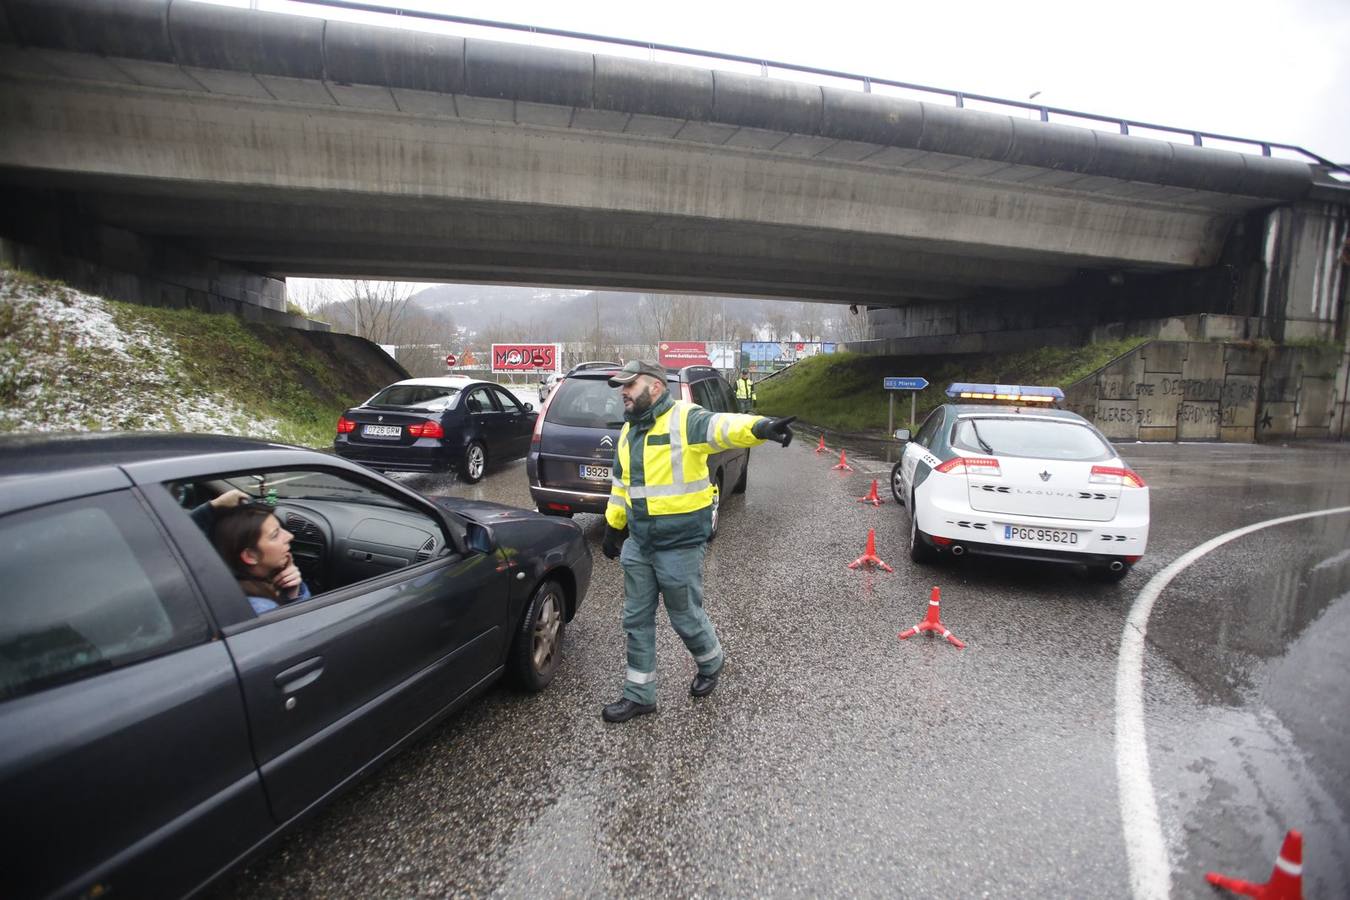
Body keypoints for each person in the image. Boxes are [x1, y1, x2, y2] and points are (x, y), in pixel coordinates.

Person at [599, 360, 795, 723]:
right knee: (635, 619)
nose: (623, 392)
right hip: (640, 543)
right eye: (621, 387)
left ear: (655, 387)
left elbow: (724, 427)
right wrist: (614, 526)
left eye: (630, 385)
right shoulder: (628, 433)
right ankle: (639, 694)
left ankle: (711, 661)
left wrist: (762, 427)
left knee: (685, 616)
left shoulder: (685, 419)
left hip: (680, 544)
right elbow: (621, 486)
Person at [212, 504, 311, 616]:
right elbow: (302, 629)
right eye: (275, 535)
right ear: (250, 556)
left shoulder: (227, 590)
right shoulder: (262, 608)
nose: (290, 536)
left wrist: (293, 593)